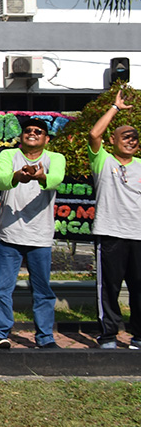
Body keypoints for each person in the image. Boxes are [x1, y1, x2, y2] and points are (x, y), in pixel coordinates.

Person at [0, 116, 65, 349]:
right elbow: (0, 182)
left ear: (46, 138)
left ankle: (45, 337)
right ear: (21, 137)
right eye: (28, 130)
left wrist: (41, 177)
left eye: (38, 131)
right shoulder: (8, 156)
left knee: (42, 290)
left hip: (40, 236)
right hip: (10, 234)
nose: (32, 133)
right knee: (3, 288)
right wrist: (16, 177)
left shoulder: (55, 158)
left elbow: (56, 180)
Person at [88, 88, 141, 349]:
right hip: (111, 233)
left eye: (135, 138)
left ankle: (138, 336)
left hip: (138, 235)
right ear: (112, 140)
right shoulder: (103, 162)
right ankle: (108, 335)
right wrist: (115, 108)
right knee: (108, 288)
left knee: (139, 289)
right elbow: (93, 134)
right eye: (125, 137)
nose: (130, 141)